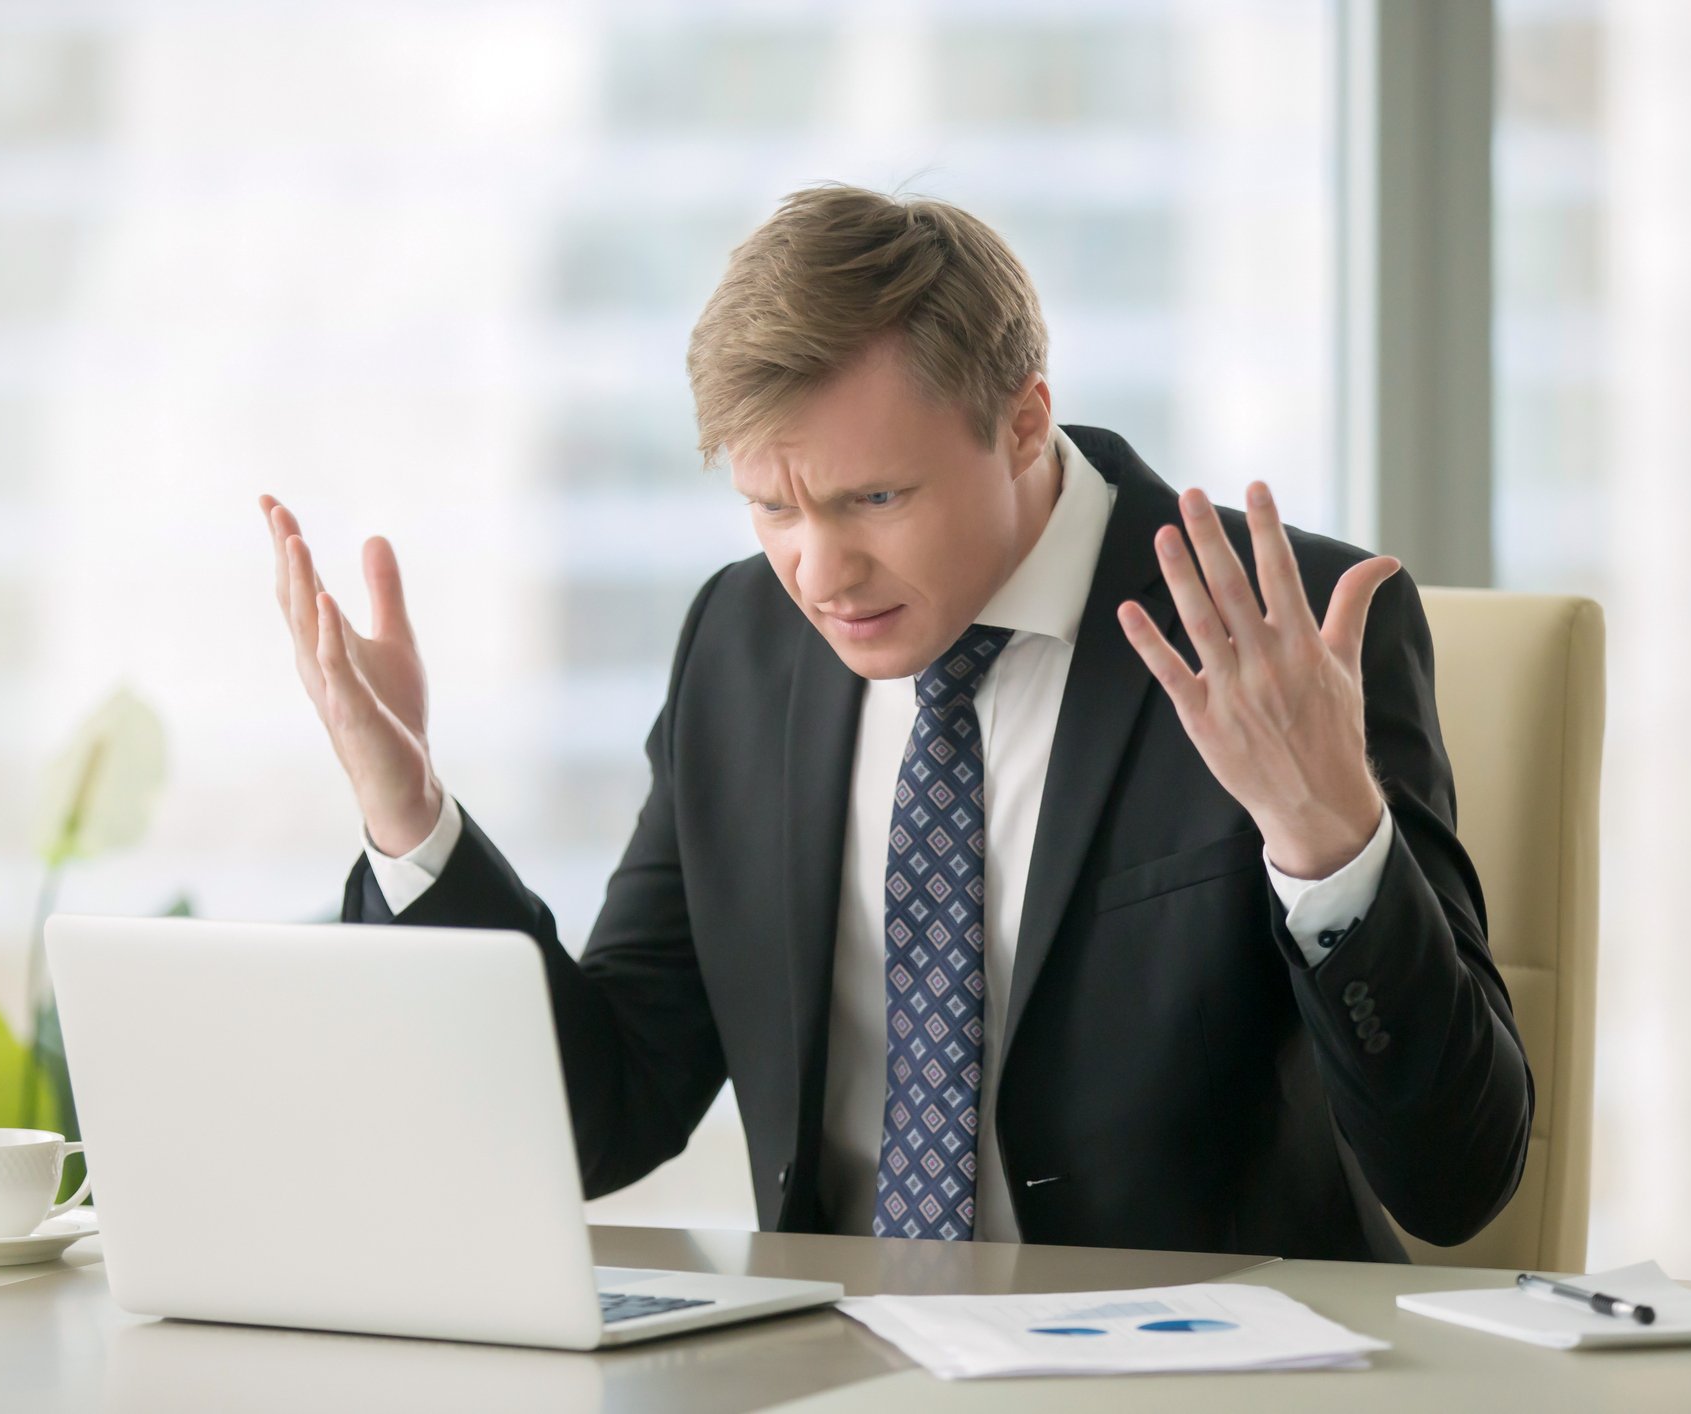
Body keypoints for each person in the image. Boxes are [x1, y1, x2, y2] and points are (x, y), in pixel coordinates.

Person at [260, 184, 1530, 1260]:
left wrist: (1328, 837)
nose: (820, 573)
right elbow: (605, 1112)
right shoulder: (742, 647)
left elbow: (1457, 1180)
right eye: (772, 507)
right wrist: (408, 811)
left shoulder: (1274, 635)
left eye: (874, 497)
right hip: (827, 1368)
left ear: (1025, 419)